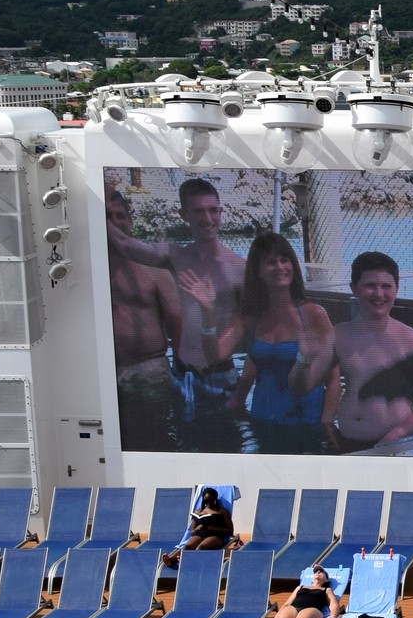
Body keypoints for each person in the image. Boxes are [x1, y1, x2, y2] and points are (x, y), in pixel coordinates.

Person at [182, 232, 334, 450]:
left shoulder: (313, 314)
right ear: (258, 271)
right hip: (262, 420)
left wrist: (327, 424)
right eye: (271, 262)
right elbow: (214, 355)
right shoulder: (249, 316)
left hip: (306, 423)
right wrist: (208, 313)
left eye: (284, 260)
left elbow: (334, 377)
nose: (280, 267)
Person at [301, 252, 413, 453]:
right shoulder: (339, 335)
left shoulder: (409, 338)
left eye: (386, 286)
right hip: (348, 442)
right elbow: (304, 386)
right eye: (370, 286)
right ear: (354, 288)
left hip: (396, 444)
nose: (379, 294)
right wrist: (304, 356)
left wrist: (398, 433)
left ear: (396, 290)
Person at [108, 177, 247, 377]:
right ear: (184, 215)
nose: (207, 219)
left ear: (221, 212)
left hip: (220, 374)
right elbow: (124, 244)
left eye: (213, 210)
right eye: (199, 211)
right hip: (182, 374)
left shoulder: (239, 269)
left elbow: (249, 322)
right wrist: (95, 197)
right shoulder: (174, 257)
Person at [106, 194, 183, 445]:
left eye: (120, 215)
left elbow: (176, 320)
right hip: (102, 372)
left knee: (155, 438)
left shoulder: (151, 266)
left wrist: (182, 369)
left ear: (130, 221)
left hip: (147, 369)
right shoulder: (86, 267)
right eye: (108, 216)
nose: (115, 222)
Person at [263, 564, 338, 618]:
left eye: (321, 572)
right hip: (294, 607)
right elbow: (287, 603)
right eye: (316, 571)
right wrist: (277, 615)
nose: (318, 572)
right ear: (313, 577)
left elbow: (333, 604)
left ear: (326, 579)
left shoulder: (326, 589)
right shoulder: (300, 587)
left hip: (312, 609)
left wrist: (333, 616)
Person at [162, 487, 232, 565]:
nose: (208, 503)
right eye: (206, 501)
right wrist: (197, 529)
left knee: (200, 547)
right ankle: (171, 560)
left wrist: (213, 528)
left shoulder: (222, 511)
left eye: (211, 500)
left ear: (215, 499)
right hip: (200, 534)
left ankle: (185, 561)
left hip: (215, 536)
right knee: (186, 547)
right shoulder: (199, 512)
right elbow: (192, 533)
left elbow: (230, 531)